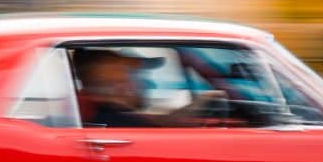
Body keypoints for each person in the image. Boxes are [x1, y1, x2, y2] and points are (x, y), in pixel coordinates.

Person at [73, 48, 221, 127]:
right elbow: (163, 129)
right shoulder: (118, 124)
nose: (150, 84)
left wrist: (204, 101)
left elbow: (161, 122)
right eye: (138, 76)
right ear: (120, 86)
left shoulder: (104, 116)